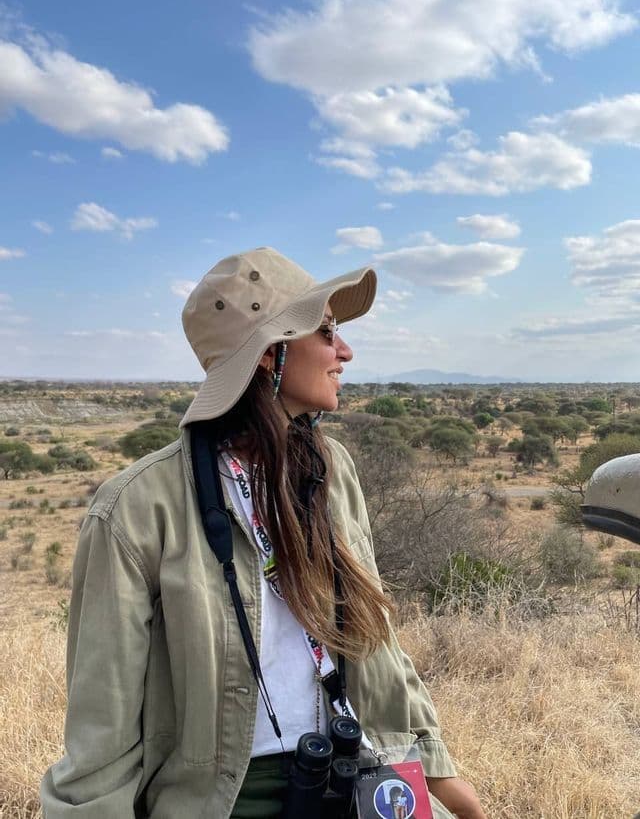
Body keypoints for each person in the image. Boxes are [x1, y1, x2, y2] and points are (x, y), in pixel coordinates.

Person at [41, 247, 486, 819]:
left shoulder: (332, 471)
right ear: (268, 354)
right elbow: (102, 720)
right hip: (224, 799)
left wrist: (437, 769)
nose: (345, 351)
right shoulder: (137, 507)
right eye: (326, 333)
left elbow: (379, 640)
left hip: (362, 774)